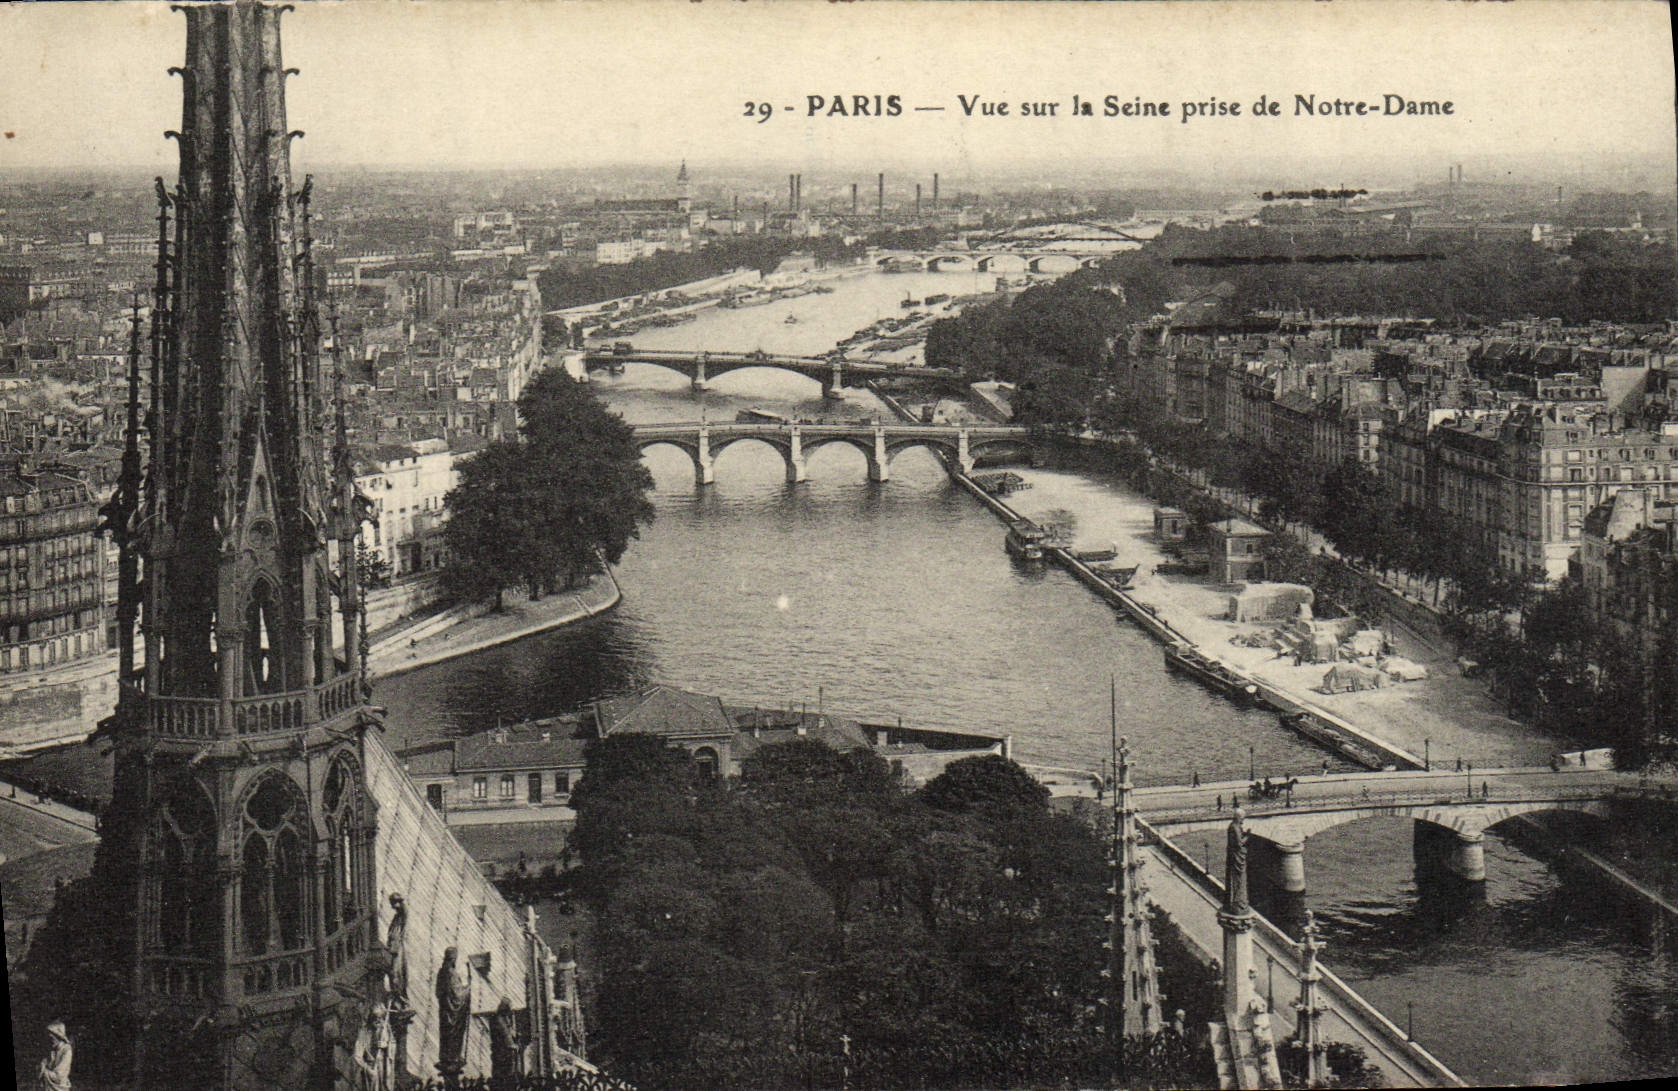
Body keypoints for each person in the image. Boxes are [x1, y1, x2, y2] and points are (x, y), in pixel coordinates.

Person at [38, 1019, 72, 1091]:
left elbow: (59, 1076)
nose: (50, 1040)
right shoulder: (51, 1050)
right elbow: (44, 1064)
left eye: (51, 1038)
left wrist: (43, 1070)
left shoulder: (67, 1050)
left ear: (58, 1037)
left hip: (60, 1087)